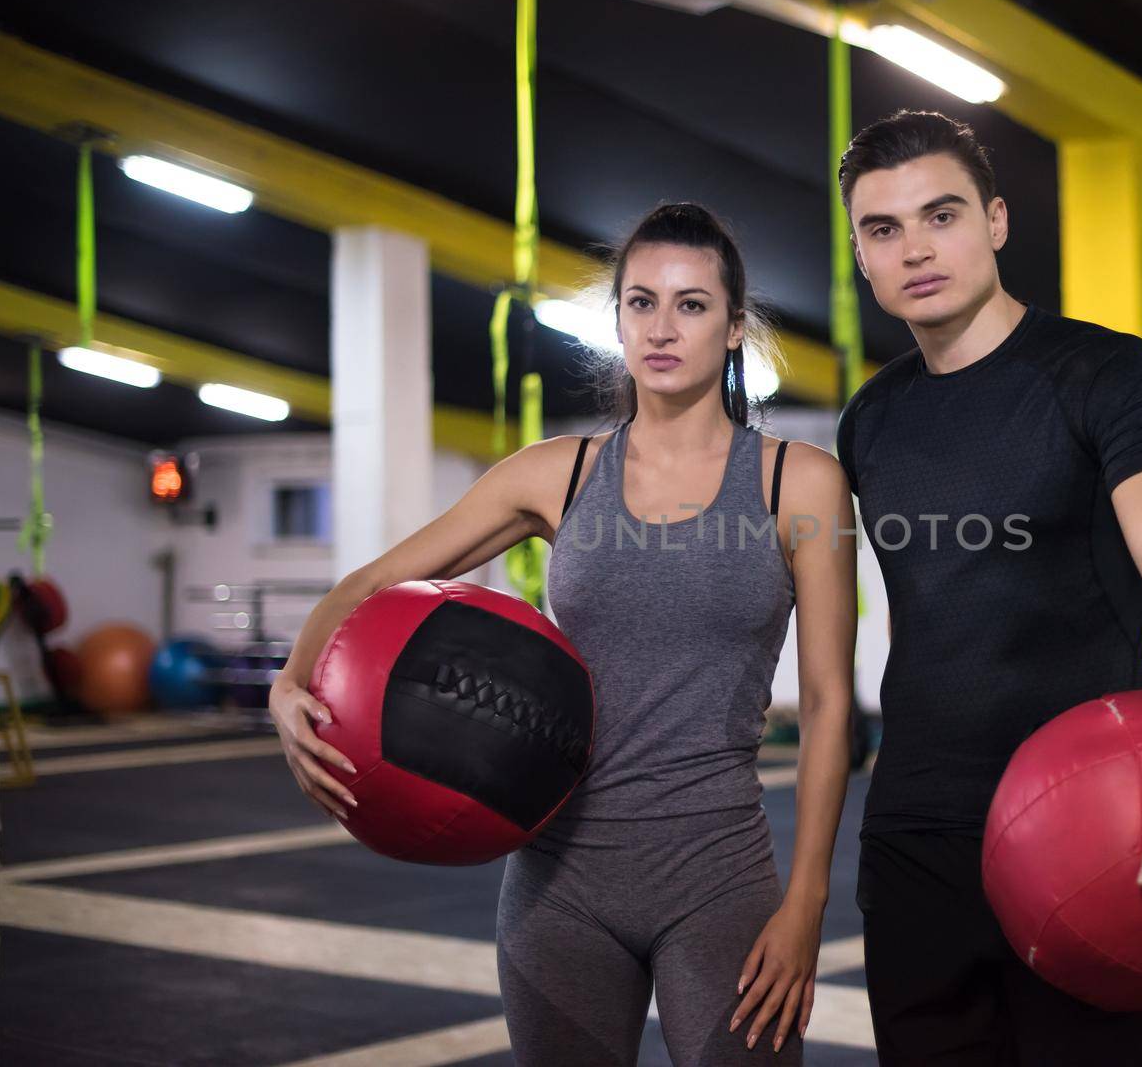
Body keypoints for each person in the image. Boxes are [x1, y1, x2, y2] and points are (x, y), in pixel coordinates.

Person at [269, 202, 857, 1065]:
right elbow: (367, 586)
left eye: (692, 305)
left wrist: (806, 904)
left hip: (720, 877)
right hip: (559, 881)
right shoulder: (556, 474)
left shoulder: (798, 485)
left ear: (735, 330)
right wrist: (289, 682)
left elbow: (831, 703)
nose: (662, 327)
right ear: (616, 318)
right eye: (641, 302)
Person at [834, 109, 1142, 1065]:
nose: (914, 249)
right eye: (882, 229)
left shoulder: (1108, 374)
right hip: (915, 839)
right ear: (861, 255)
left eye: (940, 215)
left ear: (995, 222)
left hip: (1096, 823)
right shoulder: (869, 419)